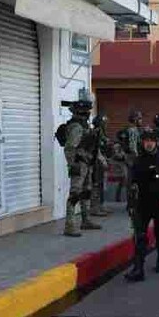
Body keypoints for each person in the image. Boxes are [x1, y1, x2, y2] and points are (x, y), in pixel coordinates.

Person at [125, 128, 159, 282]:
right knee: (139, 235)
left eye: (151, 141)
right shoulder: (139, 161)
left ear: (157, 142)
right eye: (146, 141)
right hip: (142, 203)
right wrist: (131, 204)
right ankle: (138, 269)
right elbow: (132, 183)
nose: (148, 144)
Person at [63, 97, 102, 237]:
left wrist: (99, 159)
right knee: (75, 194)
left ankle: (85, 220)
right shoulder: (76, 127)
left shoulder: (85, 126)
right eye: (86, 111)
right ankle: (69, 225)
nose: (88, 114)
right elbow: (69, 148)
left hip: (87, 163)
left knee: (86, 191)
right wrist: (72, 164)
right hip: (79, 164)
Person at [89, 114, 111, 217]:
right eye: (104, 123)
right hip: (96, 162)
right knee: (96, 184)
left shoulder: (101, 133)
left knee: (101, 184)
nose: (106, 125)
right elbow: (96, 148)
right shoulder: (96, 132)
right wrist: (102, 159)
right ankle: (94, 207)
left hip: (101, 160)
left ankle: (100, 205)